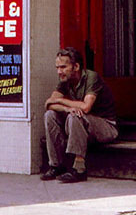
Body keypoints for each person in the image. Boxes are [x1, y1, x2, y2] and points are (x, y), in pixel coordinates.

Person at [42, 47, 118, 183]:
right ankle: (56, 165)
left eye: (63, 67)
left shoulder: (91, 77)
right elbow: (49, 104)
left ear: (76, 66)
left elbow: (86, 107)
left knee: (76, 115)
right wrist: (66, 109)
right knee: (50, 115)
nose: (59, 71)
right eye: (57, 67)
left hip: (106, 127)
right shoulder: (65, 81)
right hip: (81, 126)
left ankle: (79, 169)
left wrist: (61, 100)